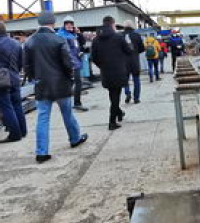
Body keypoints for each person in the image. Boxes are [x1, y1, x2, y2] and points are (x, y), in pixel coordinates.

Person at [25, 11, 88, 162]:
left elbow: (27, 66)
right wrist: (70, 78)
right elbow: (67, 63)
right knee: (67, 113)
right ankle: (75, 138)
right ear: (53, 23)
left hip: (42, 85)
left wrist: (35, 78)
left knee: (43, 118)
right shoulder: (59, 39)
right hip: (61, 84)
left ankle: (41, 152)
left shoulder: (30, 41)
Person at [91, 16, 132, 130]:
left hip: (105, 72)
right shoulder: (118, 37)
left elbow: (94, 57)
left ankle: (119, 112)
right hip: (118, 71)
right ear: (113, 24)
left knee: (112, 95)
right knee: (115, 97)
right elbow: (129, 51)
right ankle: (112, 122)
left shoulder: (96, 39)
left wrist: (102, 66)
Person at [57, 16, 88, 111]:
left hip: (75, 61)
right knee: (75, 83)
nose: (69, 26)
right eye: (67, 24)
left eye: (71, 24)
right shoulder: (62, 35)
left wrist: (78, 33)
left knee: (76, 83)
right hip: (71, 63)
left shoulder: (73, 35)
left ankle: (74, 103)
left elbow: (81, 44)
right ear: (64, 25)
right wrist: (71, 62)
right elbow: (66, 51)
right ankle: (75, 103)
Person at [122, 20, 145, 104]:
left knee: (125, 80)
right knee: (136, 80)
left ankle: (127, 93)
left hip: (124, 62)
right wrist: (135, 51)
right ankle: (136, 98)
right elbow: (142, 49)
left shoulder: (120, 35)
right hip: (134, 61)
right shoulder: (137, 35)